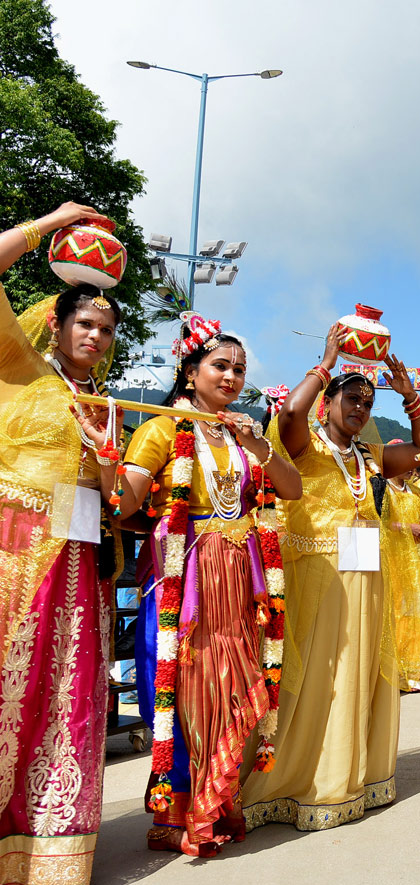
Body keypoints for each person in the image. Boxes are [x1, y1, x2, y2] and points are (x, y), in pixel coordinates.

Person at [240, 322, 420, 831]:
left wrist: (410, 395)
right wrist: (326, 360)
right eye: (350, 399)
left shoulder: (370, 457)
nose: (360, 408)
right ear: (328, 404)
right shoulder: (305, 447)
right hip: (318, 575)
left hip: (367, 578)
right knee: (315, 677)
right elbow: (288, 412)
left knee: (359, 674)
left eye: (367, 403)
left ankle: (355, 777)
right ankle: (299, 782)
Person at [119, 317, 302, 856]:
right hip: (187, 576)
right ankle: (179, 810)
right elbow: (127, 500)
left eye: (239, 369)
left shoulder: (243, 435)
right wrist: (106, 460)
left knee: (233, 682)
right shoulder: (161, 426)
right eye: (220, 366)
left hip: (242, 578)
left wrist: (260, 446)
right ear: (190, 369)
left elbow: (289, 489)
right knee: (181, 684)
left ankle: (218, 799)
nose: (231, 377)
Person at [0, 203, 126, 885]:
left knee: (66, 701)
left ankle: (49, 856)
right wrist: (51, 221)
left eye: (106, 330)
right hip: (13, 552)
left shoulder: (104, 404)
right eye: (86, 323)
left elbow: (116, 497)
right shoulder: (17, 362)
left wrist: (109, 460)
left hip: (78, 565)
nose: (97, 337)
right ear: (56, 321)